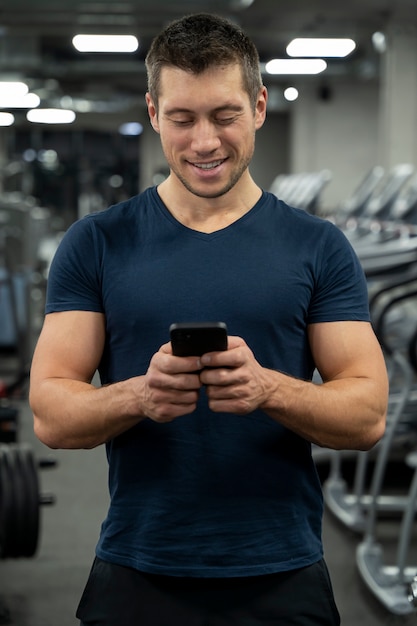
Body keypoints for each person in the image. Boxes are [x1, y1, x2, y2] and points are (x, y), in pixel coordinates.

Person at [29, 12, 388, 626]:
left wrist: (266, 387)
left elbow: (369, 412)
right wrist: (141, 395)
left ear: (258, 107)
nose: (204, 142)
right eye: (182, 118)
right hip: (139, 567)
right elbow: (50, 414)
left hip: (282, 572)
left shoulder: (318, 246)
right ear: (151, 111)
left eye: (224, 116)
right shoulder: (96, 243)